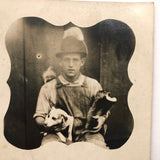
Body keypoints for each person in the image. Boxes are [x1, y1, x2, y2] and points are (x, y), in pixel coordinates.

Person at [33, 27, 107, 148]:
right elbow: (39, 117)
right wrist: (47, 125)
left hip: (87, 134)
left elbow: (103, 111)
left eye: (75, 60)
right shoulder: (48, 88)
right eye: (67, 60)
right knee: (49, 147)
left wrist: (101, 120)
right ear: (60, 61)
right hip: (57, 135)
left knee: (97, 147)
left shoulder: (93, 85)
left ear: (82, 62)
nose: (71, 65)